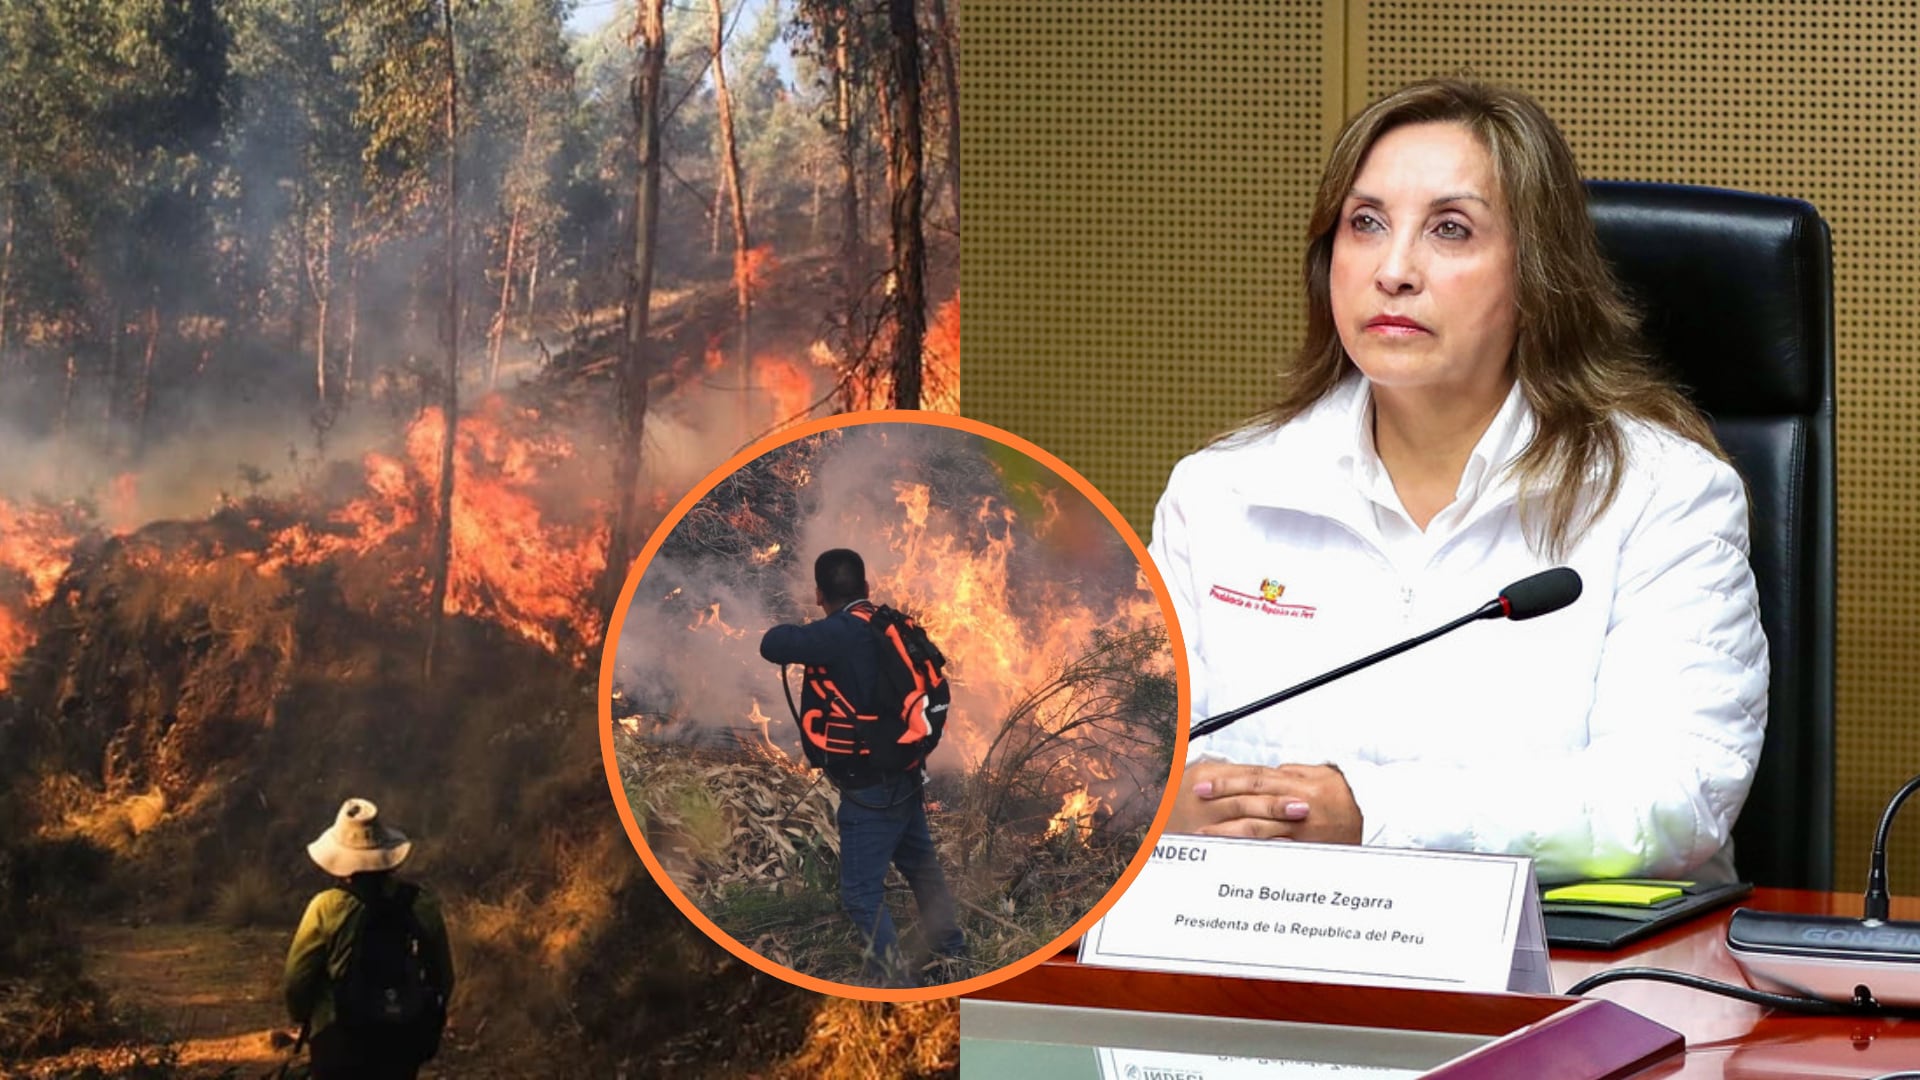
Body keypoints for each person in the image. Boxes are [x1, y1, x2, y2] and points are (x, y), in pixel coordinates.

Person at [1150, 77, 1768, 885]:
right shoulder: (1220, 496)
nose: (1395, 269)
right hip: (1264, 956)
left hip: (1569, 977)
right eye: (1365, 224)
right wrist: (1152, 806)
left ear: (1537, 274)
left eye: (1450, 230)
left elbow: (1668, 798)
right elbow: (1125, 769)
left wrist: (1371, 815)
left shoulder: (1663, 496)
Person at [760, 548, 967, 985]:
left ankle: (892, 982)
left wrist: (804, 626)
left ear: (819, 594)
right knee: (921, 866)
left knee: (860, 894)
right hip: (906, 769)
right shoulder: (887, 622)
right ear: (867, 588)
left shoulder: (838, 633)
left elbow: (772, 644)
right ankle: (952, 950)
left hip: (871, 786)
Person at [285, 798, 455, 1079]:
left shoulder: (326, 907)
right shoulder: (421, 903)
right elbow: (444, 978)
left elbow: (297, 980)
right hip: (403, 1037)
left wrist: (307, 1018)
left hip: (339, 1039)